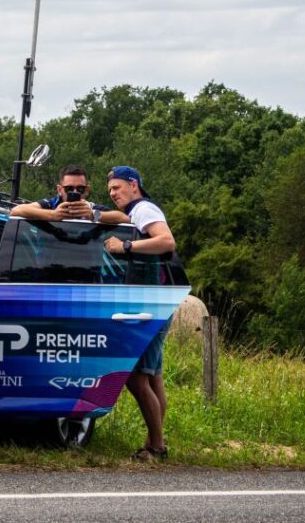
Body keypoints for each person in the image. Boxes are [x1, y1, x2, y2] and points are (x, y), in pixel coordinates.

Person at [102, 165, 177, 461]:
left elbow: (166, 241)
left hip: (152, 304)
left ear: (134, 185)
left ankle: (157, 447)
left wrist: (125, 246)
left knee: (136, 377)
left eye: (117, 188)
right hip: (157, 300)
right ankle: (152, 442)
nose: (113, 194)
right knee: (153, 376)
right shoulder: (136, 212)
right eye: (109, 190)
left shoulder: (144, 208)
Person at [9, 165, 128, 225]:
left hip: (87, 270)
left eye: (80, 188)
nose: (75, 192)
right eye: (69, 188)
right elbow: (16, 210)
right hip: (48, 269)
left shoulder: (91, 208)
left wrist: (92, 215)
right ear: (60, 189)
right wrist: (53, 215)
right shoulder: (52, 205)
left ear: (87, 190)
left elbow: (124, 218)